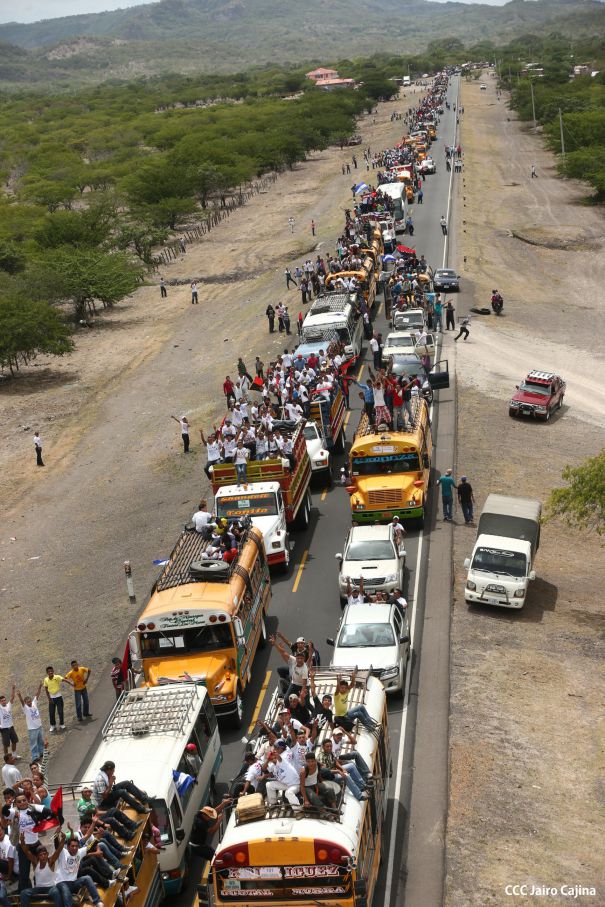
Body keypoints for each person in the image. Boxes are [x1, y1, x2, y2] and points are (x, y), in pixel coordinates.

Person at [54, 830, 104, 907]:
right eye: (72, 846)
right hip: (61, 882)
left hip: (74, 882)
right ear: (68, 847)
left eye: (76, 846)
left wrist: (97, 838)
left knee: (87, 878)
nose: (75, 848)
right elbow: (57, 845)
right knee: (66, 890)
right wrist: (56, 835)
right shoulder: (62, 852)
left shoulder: (79, 852)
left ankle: (97, 901)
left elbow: (89, 848)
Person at [19, 834, 62, 907]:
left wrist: (63, 839)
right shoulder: (36, 862)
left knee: (56, 892)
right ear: (38, 856)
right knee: (24, 893)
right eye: (41, 855)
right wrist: (22, 841)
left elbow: (58, 850)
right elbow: (26, 851)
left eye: (45, 854)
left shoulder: (50, 861)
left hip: (50, 888)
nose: (43, 856)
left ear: (47, 854)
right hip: (38, 889)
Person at [17, 685, 44, 761]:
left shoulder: (34, 703)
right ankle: (35, 757)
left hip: (39, 726)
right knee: (33, 744)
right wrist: (19, 696)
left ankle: (41, 753)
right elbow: (22, 702)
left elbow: (37, 695)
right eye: (27, 702)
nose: (29, 702)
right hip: (32, 729)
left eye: (30, 701)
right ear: (25, 703)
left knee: (40, 741)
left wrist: (39, 687)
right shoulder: (25, 708)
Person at [43, 668, 71, 733]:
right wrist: (49, 699)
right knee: (51, 713)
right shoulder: (46, 680)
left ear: (53, 671)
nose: (50, 672)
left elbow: (63, 680)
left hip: (58, 697)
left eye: (51, 671)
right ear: (47, 672)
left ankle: (62, 724)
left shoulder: (57, 677)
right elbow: (46, 689)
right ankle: (53, 725)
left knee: (60, 711)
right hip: (51, 698)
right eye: (49, 671)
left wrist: (70, 683)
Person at [0, 686, 18, 758]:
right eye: (2, 700)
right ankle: (6, 758)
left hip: (11, 727)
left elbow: (12, 697)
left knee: (14, 741)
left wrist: (13, 689)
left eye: (4, 700)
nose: (4, 701)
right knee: (6, 745)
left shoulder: (8, 705)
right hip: (4, 729)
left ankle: (14, 755)